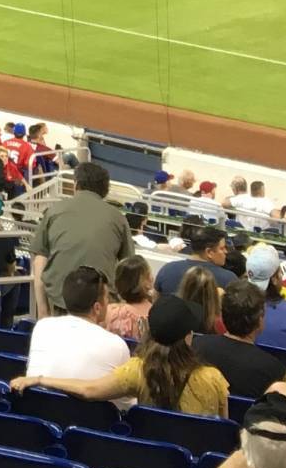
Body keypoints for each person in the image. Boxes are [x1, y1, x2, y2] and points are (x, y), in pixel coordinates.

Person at [18, 293, 229, 415]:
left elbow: (88, 390)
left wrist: (39, 379)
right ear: (187, 337)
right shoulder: (213, 379)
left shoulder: (138, 369)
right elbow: (220, 432)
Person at [26, 158, 132, 313]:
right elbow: (128, 267)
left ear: (76, 185)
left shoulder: (54, 210)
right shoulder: (118, 218)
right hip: (100, 310)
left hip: (58, 305)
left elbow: (39, 261)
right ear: (105, 190)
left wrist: (42, 311)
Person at [24, 265, 135, 387]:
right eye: (107, 298)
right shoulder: (117, 346)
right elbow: (126, 404)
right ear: (97, 308)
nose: (109, 302)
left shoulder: (42, 327)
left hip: (37, 405)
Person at [153, 224, 237, 297]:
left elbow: (155, 300)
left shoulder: (168, 269)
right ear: (209, 252)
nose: (226, 252)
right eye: (222, 248)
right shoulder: (229, 279)